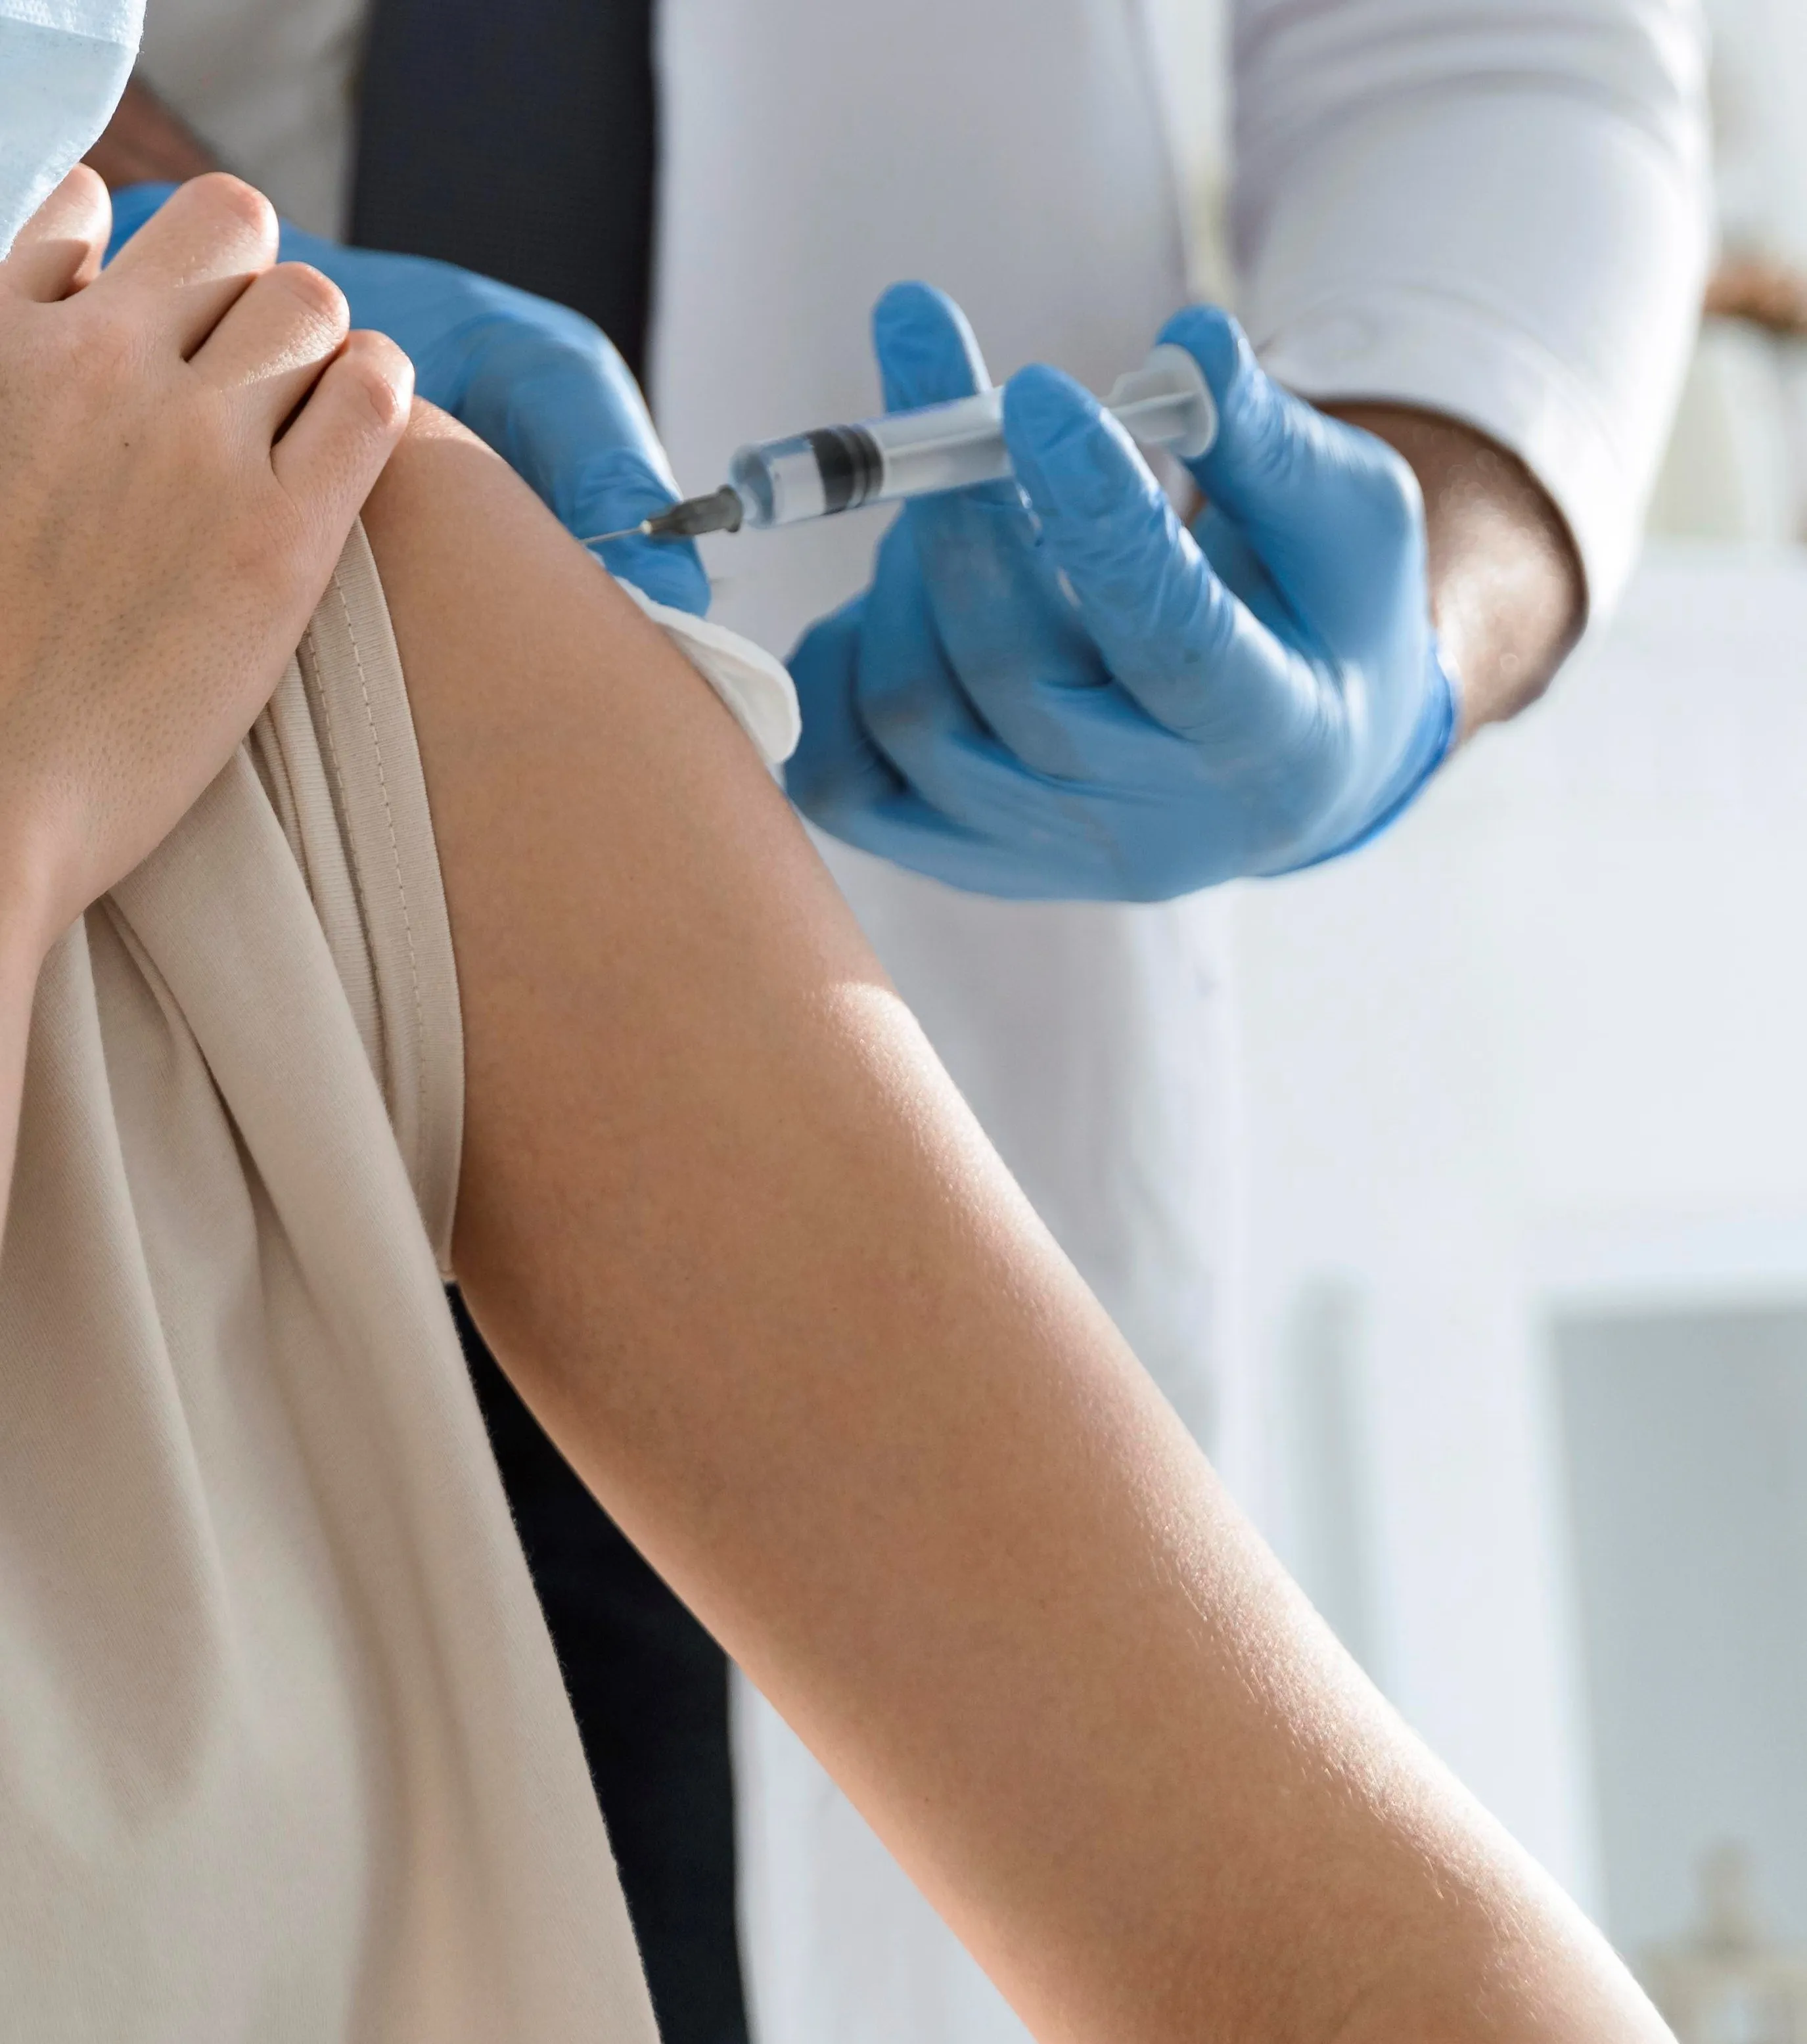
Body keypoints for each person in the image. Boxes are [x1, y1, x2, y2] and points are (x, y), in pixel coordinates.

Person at [85, 7, 1711, 2044]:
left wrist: (1427, 588)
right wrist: (82, 185)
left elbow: (1497, 54)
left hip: (683, 975)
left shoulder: (503, 706)